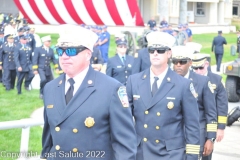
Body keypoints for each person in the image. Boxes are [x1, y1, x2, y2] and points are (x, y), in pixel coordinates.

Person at [40, 24, 137, 160]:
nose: (64, 56)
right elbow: (48, 140)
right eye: (60, 51)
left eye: (72, 51)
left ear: (88, 54)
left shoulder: (111, 89)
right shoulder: (50, 88)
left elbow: (125, 146)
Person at [126, 31, 200, 160]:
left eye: (160, 50)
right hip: (140, 152)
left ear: (169, 53)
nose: (155, 53)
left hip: (170, 154)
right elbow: (123, 118)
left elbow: (192, 125)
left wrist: (192, 156)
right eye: (152, 50)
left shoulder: (183, 85)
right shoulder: (134, 81)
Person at [171, 46, 217, 159]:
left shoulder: (202, 82)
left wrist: (210, 138)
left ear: (190, 63)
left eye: (182, 62)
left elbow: (211, 113)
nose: (178, 65)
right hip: (173, 137)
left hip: (197, 136)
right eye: (175, 62)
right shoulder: (167, 81)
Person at [192, 53, 228, 160]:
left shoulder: (216, 80)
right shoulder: (190, 79)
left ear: (206, 64)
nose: (198, 71)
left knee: (206, 154)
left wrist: (220, 128)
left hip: (209, 124)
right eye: (195, 68)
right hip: (194, 124)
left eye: (200, 68)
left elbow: (222, 105)